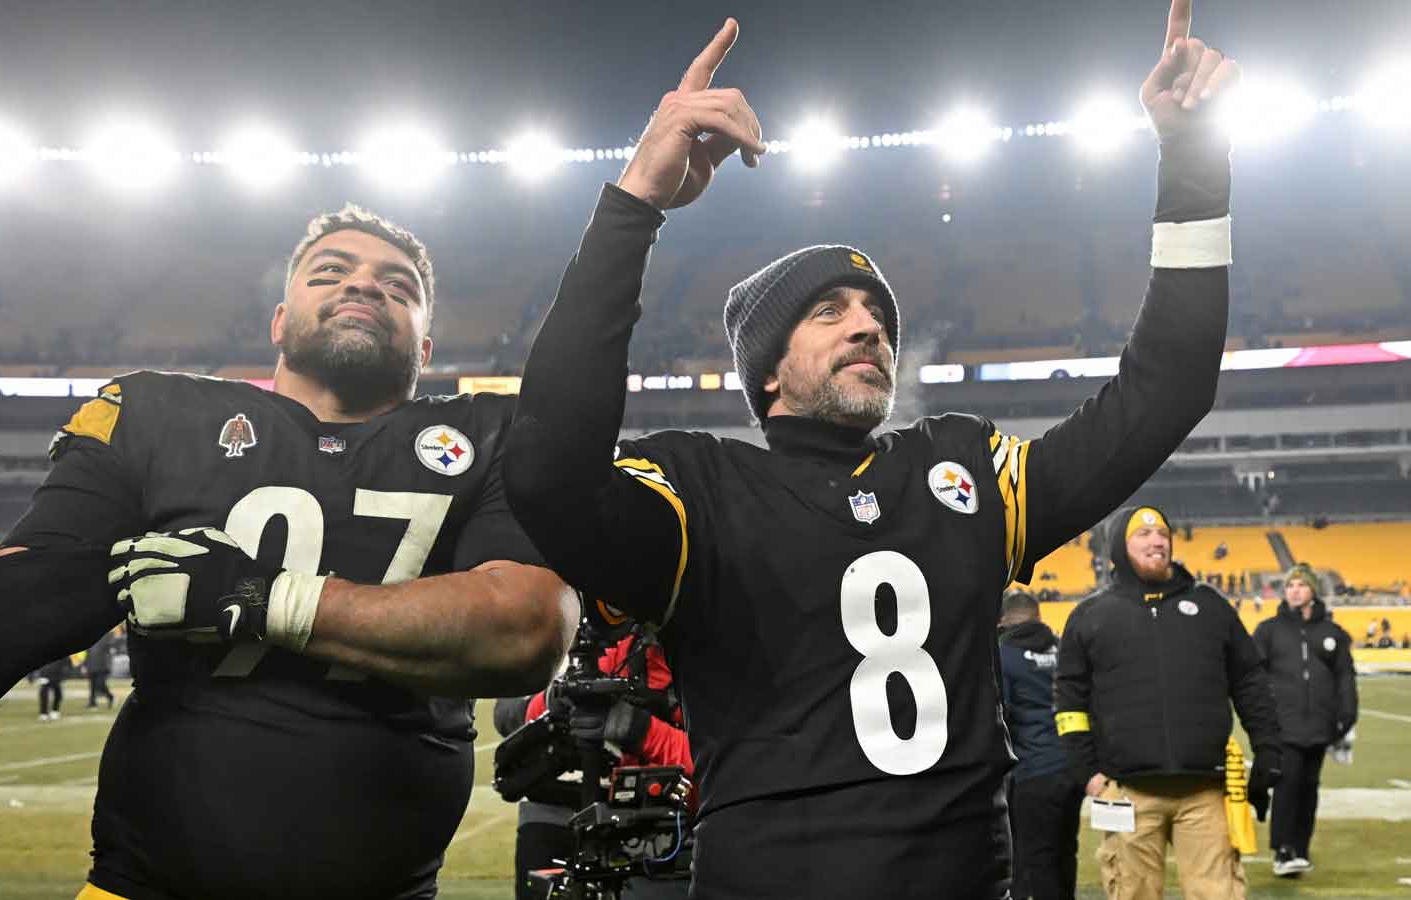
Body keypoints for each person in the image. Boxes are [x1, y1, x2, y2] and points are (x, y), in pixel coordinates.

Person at [503, 5, 1241, 896]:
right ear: (766, 371)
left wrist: (1192, 165)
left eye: (879, 317)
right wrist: (635, 205)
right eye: (830, 312)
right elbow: (545, 473)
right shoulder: (702, 487)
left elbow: (1168, 390)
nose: (868, 328)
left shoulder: (959, 469)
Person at [0, 205, 577, 900]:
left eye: (397, 286)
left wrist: (259, 597)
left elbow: (525, 629)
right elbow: (24, 597)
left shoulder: (491, 433)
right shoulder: (156, 414)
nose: (363, 286)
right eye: (331, 271)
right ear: (279, 321)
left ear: (425, 343)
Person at [1055, 505, 1282, 900]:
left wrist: (1268, 750)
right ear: (1118, 547)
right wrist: (1086, 772)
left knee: (1219, 895)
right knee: (1133, 893)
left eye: (1162, 533)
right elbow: (1069, 701)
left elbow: (1250, 683)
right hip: (1126, 792)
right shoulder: (1090, 615)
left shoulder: (1210, 607)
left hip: (1205, 790)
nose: (1157, 541)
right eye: (1142, 534)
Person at [495, 631, 692, 900]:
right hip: (623, 816)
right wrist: (559, 700)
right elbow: (517, 716)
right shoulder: (630, 648)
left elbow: (728, 767)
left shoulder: (718, 661)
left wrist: (639, 730)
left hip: (689, 827)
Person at [1251, 563, 1357, 877]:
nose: (1295, 591)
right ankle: (1283, 849)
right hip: (1284, 725)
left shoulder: (1333, 633)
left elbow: (1345, 678)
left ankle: (1300, 849)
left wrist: (1347, 715)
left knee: (1309, 789)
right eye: (1290, 586)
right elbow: (1253, 676)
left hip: (1320, 727)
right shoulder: (1268, 631)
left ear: (1313, 590)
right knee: (1287, 785)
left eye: (1301, 585)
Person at [999, 589, 1082, 900]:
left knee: (1034, 858)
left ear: (1003, 621)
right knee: (1066, 850)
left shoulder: (1004, 655)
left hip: (1032, 771)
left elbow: (1002, 716)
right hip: (1071, 768)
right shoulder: (1062, 649)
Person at [84, 628, 119, 710]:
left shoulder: (108, 635)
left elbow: (112, 648)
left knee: (100, 684)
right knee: (92, 685)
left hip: (102, 665)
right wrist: (85, 665)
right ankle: (92, 703)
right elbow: (87, 652)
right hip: (91, 664)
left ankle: (111, 697)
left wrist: (108, 664)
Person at [36, 654, 70, 721]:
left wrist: (63, 675)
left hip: (56, 674)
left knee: (58, 694)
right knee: (44, 694)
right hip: (45, 674)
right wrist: (41, 674)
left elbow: (66, 662)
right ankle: (43, 713)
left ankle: (54, 711)